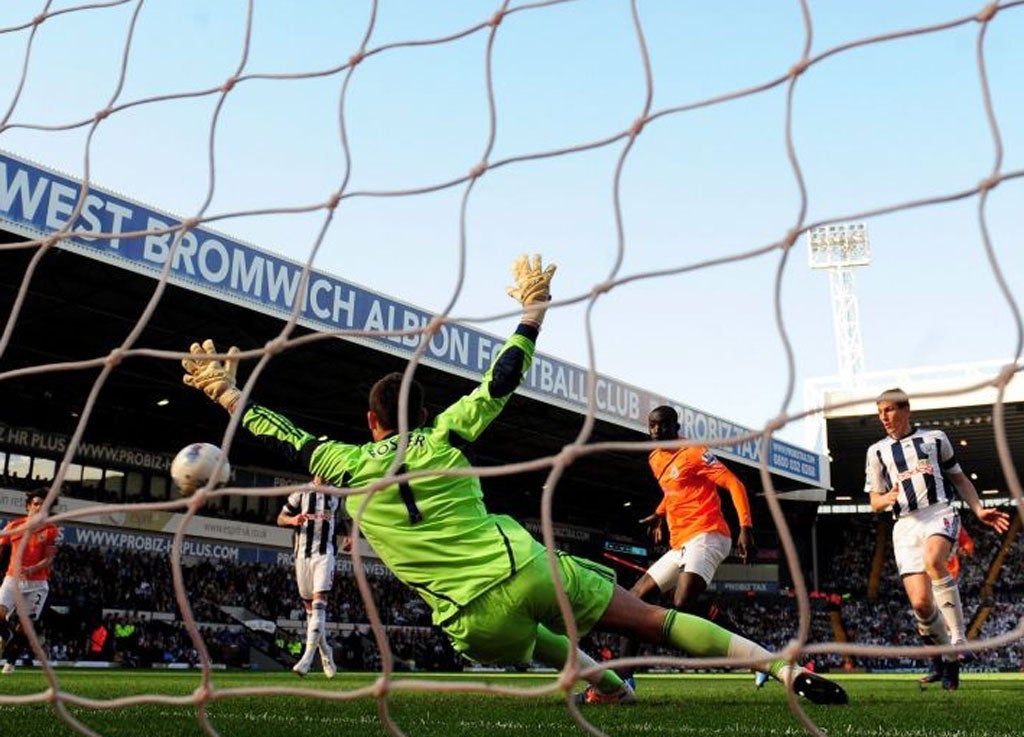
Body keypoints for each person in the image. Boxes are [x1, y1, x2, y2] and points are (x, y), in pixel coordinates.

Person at [180, 254, 847, 705]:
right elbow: (501, 379)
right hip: (523, 567)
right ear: (421, 412)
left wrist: (227, 395)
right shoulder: (445, 435)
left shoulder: (344, 463)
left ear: (369, 421)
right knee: (650, 618)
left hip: (469, 623)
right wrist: (533, 312)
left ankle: (609, 688)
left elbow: (284, 434)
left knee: (541, 646)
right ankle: (782, 667)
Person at [865, 388, 1009, 691]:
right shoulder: (876, 451)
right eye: (880, 413)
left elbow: (958, 478)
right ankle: (947, 661)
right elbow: (874, 501)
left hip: (938, 512)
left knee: (934, 561)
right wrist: (885, 499)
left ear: (906, 409)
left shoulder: (935, 438)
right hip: (904, 525)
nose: (884, 418)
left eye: (889, 410)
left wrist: (979, 509)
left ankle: (958, 638)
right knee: (920, 604)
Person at [620, 405, 756, 686]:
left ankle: (752, 653)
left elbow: (734, 483)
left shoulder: (694, 452)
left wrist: (746, 527)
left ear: (676, 426)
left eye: (663, 425)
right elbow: (674, 491)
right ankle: (623, 678)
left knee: (682, 602)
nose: (657, 431)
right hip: (680, 543)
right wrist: (659, 514)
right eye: (652, 426)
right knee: (634, 599)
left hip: (709, 533)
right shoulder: (655, 459)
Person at [277, 475, 342, 678]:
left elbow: (347, 518)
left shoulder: (337, 494)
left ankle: (306, 659)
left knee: (319, 605)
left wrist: (349, 535)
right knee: (310, 611)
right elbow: (280, 518)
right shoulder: (301, 492)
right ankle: (326, 653)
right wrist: (292, 520)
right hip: (302, 556)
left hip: (325, 554)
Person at [0, 488, 60, 674]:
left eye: (44, 505)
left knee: (25, 627)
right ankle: (5, 634)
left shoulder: (51, 530)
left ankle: (10, 662)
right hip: (12, 578)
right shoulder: (13, 526)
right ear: (28, 507)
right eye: (36, 504)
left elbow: (49, 559)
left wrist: (31, 569)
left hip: (37, 583)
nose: (40, 507)